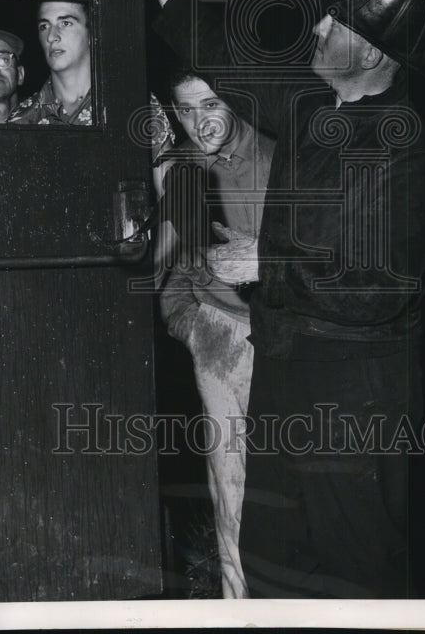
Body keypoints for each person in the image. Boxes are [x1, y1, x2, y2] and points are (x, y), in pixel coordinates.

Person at [108, 0, 425, 599]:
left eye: (335, 24)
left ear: (373, 54)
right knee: (273, 555)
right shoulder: (311, 105)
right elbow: (227, 62)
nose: (317, 29)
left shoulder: (406, 154)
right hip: (286, 372)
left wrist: (271, 262)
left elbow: (378, 289)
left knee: (357, 570)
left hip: (354, 400)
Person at [158, 68, 274, 598]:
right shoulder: (180, 167)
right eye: (186, 110)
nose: (199, 122)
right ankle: (236, 605)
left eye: (210, 105)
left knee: (288, 484)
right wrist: (189, 324)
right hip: (218, 337)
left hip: (281, 337)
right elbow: (171, 261)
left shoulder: (281, 156)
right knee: (228, 484)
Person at [8, 0, 92, 125]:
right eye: (44, 27)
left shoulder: (120, 103)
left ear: (92, 32)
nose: (51, 37)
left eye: (65, 23)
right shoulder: (22, 120)